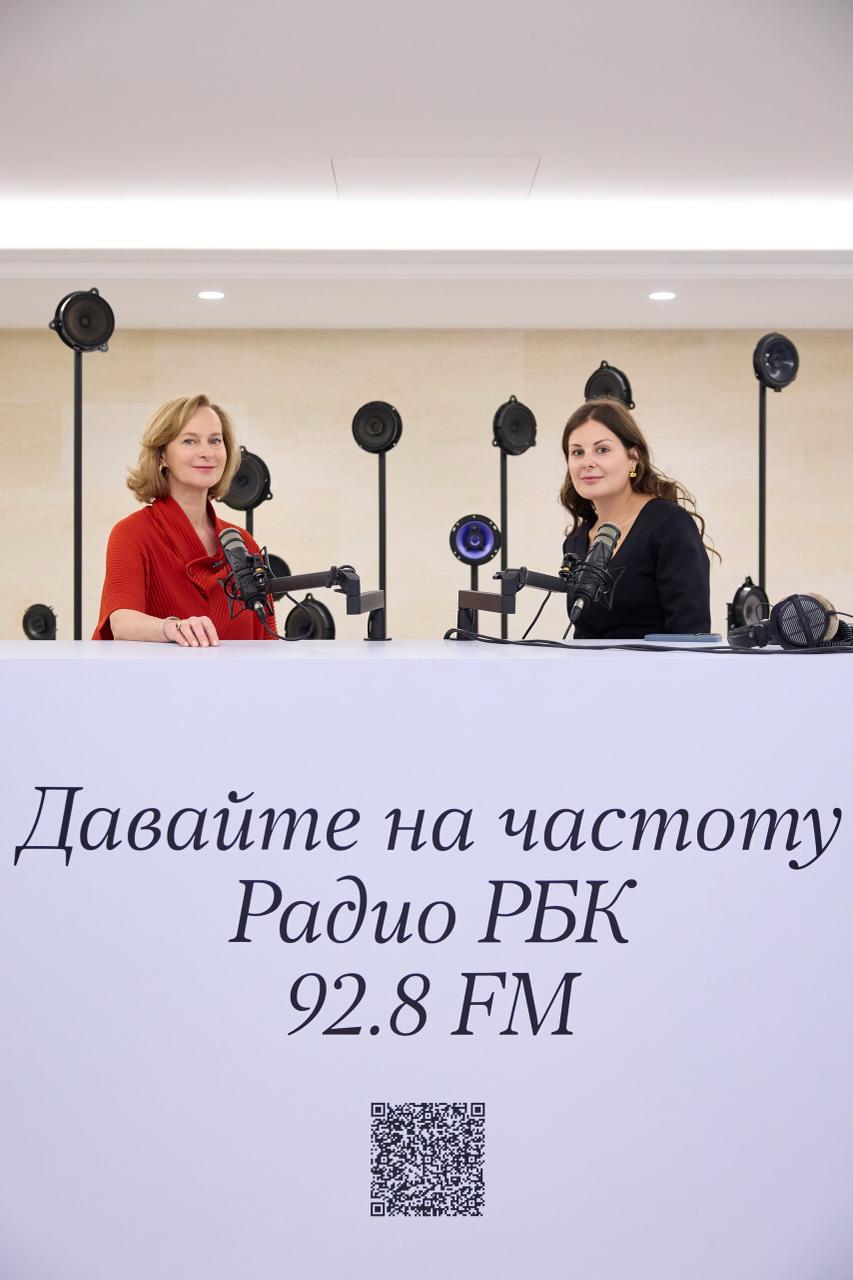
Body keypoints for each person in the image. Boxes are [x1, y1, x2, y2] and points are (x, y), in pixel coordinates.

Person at [93, 394, 276, 645]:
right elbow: (121, 622)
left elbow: (267, 638)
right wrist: (172, 628)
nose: (207, 452)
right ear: (162, 455)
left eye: (215, 440)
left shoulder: (241, 542)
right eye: (190, 441)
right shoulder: (132, 533)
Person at [560, 398, 712, 638]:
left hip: (661, 664)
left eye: (602, 450)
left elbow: (690, 632)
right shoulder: (576, 541)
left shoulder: (669, 524)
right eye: (577, 452)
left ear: (633, 458)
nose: (587, 462)